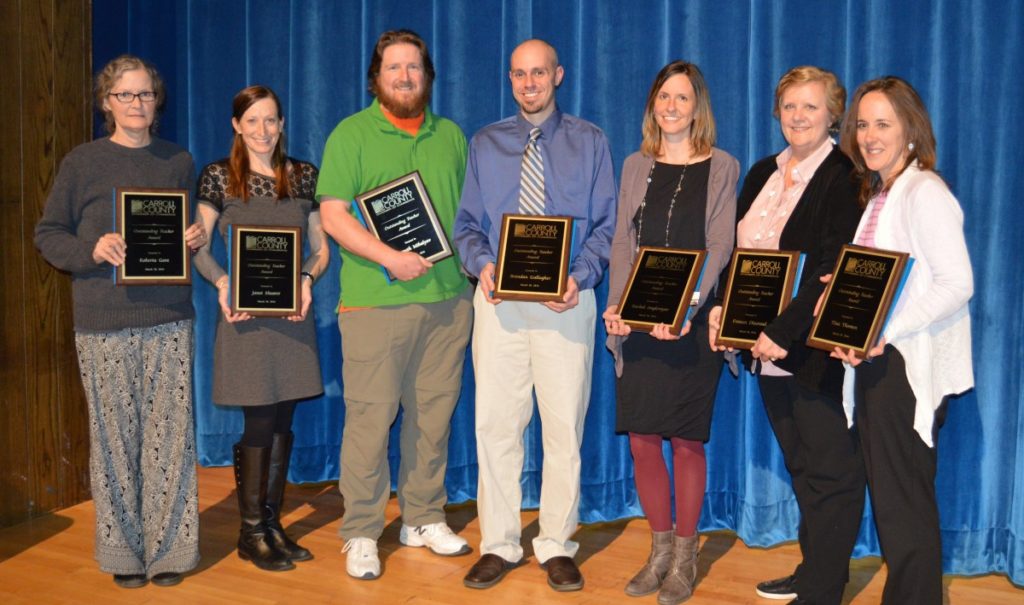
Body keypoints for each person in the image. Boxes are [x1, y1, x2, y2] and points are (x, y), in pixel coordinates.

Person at [34, 54, 205, 589]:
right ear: (106, 103)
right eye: (125, 95)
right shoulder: (81, 162)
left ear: (158, 103)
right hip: (102, 319)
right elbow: (48, 234)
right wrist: (92, 249)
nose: (137, 104)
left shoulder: (178, 160)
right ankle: (123, 552)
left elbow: (185, 227)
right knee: (113, 438)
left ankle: (171, 550)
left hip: (169, 315)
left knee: (170, 437)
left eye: (146, 95)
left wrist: (194, 236)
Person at [454, 38, 617, 592]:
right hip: (499, 305)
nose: (529, 83)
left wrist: (579, 277)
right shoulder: (486, 143)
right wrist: (483, 268)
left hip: (566, 303)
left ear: (558, 76)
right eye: (520, 74)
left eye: (539, 73)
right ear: (510, 78)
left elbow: (606, 227)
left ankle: (555, 543)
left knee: (563, 428)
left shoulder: (590, 142)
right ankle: (499, 543)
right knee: (495, 426)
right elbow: (467, 227)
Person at [316, 29, 473, 580]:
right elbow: (333, 216)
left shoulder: (450, 135)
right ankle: (361, 529)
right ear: (375, 79)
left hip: (450, 302)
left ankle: (423, 517)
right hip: (375, 304)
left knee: (433, 419)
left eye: (414, 68)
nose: (405, 77)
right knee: (370, 420)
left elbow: (466, 217)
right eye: (393, 69)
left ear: (427, 76)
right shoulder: (351, 135)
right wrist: (389, 257)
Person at [708, 66, 866, 604]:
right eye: (790, 106)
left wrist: (784, 330)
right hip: (764, 348)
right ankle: (814, 569)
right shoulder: (760, 174)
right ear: (777, 112)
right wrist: (722, 308)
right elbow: (739, 258)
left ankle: (824, 588)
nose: (798, 116)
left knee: (832, 472)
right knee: (802, 465)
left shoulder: (845, 175)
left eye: (811, 107)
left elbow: (831, 266)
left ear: (833, 115)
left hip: (810, 348)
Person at [831, 76, 973, 605]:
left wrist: (883, 331)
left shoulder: (924, 191)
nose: (869, 135)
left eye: (882, 124)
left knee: (904, 505)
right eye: (862, 124)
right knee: (894, 504)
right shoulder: (882, 193)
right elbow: (883, 280)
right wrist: (838, 298)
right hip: (878, 364)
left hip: (904, 370)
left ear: (910, 131)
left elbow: (957, 283)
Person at [603, 61, 738, 605]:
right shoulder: (637, 164)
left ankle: (685, 554)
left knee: (684, 440)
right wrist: (616, 304)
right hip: (638, 318)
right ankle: (658, 550)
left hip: (689, 321)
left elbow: (721, 242)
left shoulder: (722, 165)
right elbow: (620, 242)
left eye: (682, 97)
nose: (672, 106)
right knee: (641, 440)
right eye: (664, 96)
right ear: (653, 105)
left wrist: (690, 307)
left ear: (697, 106)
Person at [193, 85, 329, 572]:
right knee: (259, 421)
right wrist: (224, 281)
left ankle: (271, 524)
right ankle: (250, 530)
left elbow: (321, 249)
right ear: (236, 125)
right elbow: (199, 247)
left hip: (292, 318)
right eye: (252, 121)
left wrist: (308, 281)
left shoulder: (304, 175)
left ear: (282, 123)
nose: (262, 131)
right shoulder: (217, 177)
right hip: (245, 320)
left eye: (271, 120)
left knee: (284, 422)